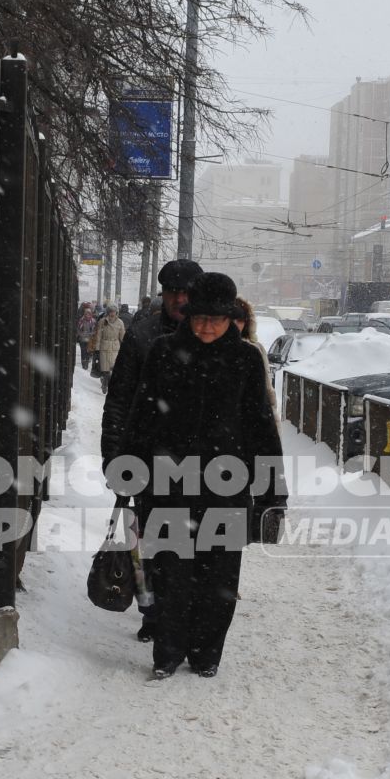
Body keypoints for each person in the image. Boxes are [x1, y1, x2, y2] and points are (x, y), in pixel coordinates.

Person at [128, 272, 286, 679]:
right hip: (168, 485)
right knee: (170, 571)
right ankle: (167, 652)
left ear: (230, 318)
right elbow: (142, 417)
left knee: (218, 576)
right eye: (199, 318)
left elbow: (261, 430)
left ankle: (205, 653)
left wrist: (272, 495)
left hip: (226, 487)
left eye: (216, 319)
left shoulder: (247, 359)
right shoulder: (163, 352)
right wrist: (130, 470)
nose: (207, 327)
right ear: (188, 316)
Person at [101, 258, 202, 643]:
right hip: (149, 460)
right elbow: (119, 401)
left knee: (195, 544)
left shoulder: (212, 337)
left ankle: (183, 614)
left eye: (186, 292)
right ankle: (154, 612)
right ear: (163, 295)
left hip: (199, 464)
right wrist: (114, 457)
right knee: (152, 543)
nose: (180, 299)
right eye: (173, 292)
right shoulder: (142, 336)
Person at [234, 297, 277, 415]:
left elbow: (267, 392)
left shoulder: (255, 350)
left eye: (240, 320)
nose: (236, 324)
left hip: (251, 421)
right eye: (232, 319)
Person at [95, 305, 126, 389]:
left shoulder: (120, 322)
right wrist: (97, 348)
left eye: (114, 312)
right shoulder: (102, 321)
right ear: (108, 312)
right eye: (111, 311)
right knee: (105, 369)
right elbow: (98, 336)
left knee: (113, 367)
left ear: (116, 312)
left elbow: (123, 336)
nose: (112, 313)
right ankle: (105, 383)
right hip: (104, 346)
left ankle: (110, 383)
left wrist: (125, 347)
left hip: (115, 347)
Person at [75, 302, 98, 370]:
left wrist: (91, 334)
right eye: (86, 314)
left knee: (88, 352)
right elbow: (78, 329)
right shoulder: (81, 320)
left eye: (89, 314)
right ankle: (83, 364)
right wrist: (81, 334)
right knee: (83, 352)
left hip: (90, 340)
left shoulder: (93, 321)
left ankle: (86, 363)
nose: (87, 315)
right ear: (84, 314)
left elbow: (95, 330)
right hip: (82, 339)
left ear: (91, 314)